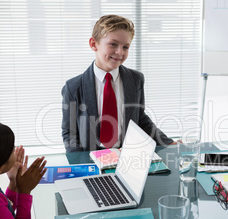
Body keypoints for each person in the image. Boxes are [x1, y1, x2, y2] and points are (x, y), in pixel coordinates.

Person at [61, 14, 175, 153]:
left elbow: (141, 119)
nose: (120, 52)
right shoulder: (73, 87)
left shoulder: (135, 80)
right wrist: (80, 164)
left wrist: (168, 142)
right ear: (93, 44)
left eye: (125, 47)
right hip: (92, 159)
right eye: (113, 44)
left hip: (127, 157)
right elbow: (70, 133)